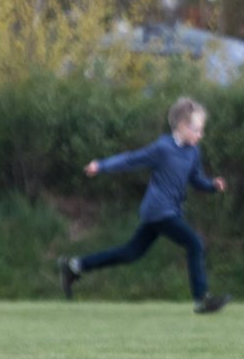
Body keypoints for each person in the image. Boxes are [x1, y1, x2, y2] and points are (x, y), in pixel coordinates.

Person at [58, 97, 231, 314]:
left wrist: (212, 185)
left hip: (168, 212)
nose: (200, 135)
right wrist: (101, 165)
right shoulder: (163, 148)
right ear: (183, 126)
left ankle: (75, 266)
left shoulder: (193, 152)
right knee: (194, 243)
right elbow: (131, 159)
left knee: (130, 253)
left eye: (201, 130)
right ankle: (201, 299)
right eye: (197, 129)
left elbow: (196, 178)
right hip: (159, 210)